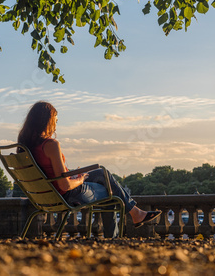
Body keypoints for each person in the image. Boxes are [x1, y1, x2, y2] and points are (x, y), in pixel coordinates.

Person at [17, 101, 161, 238]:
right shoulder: (51, 144)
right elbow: (65, 185)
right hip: (67, 195)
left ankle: (135, 214)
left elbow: (50, 174)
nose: (56, 124)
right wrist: (80, 179)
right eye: (55, 120)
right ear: (47, 121)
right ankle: (121, 229)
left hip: (45, 196)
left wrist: (75, 175)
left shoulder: (26, 147)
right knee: (108, 191)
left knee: (101, 174)